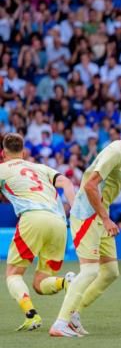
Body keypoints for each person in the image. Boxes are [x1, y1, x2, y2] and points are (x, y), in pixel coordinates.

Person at [50, 112, 121, 337]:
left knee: (110, 272)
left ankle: (73, 313)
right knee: (91, 270)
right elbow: (91, 185)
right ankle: (60, 323)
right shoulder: (115, 151)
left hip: (100, 216)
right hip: (87, 215)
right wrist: (105, 217)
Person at [1, 133, 75, 331]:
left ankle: (31, 315)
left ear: (3, 153)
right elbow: (66, 183)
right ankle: (66, 283)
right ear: (23, 152)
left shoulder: (2, 169)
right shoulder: (39, 167)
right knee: (40, 283)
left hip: (33, 219)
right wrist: (74, 211)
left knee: (13, 274)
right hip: (59, 223)